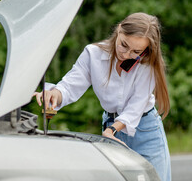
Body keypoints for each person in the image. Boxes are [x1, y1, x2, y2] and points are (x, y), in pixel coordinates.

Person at [34, 12, 171, 181]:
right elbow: (70, 86)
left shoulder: (146, 63)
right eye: (124, 45)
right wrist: (54, 94)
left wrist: (112, 129)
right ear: (119, 30)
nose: (126, 54)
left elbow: (135, 107)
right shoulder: (93, 54)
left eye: (136, 51)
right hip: (111, 129)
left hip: (145, 131)